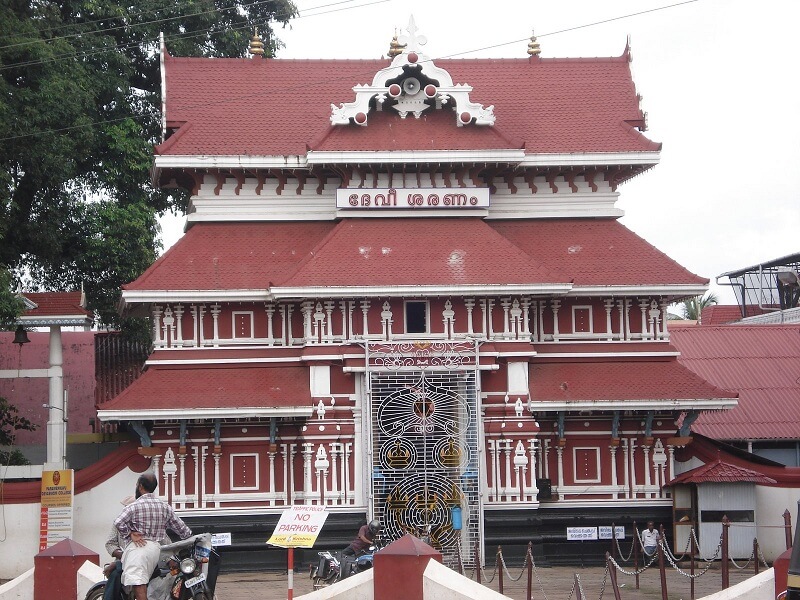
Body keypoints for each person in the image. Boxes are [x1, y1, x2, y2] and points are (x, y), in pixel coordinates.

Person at [114, 472, 192, 600]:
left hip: (139, 548)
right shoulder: (164, 506)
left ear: (140, 486)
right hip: (156, 549)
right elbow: (182, 529)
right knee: (142, 582)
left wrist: (129, 534)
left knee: (139, 584)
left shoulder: (134, 506)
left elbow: (118, 522)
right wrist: (191, 538)